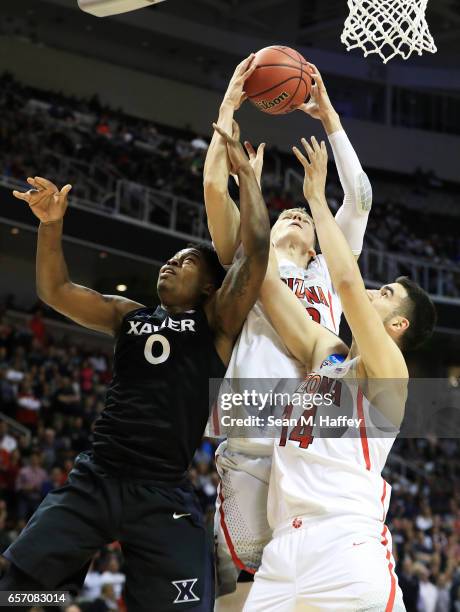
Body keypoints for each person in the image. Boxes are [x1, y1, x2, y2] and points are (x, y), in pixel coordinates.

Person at [1, 119, 270, 612]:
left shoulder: (219, 322)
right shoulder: (129, 316)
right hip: (97, 476)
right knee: (18, 593)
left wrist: (248, 182)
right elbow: (56, 292)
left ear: (211, 286)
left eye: (185, 261)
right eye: (170, 258)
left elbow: (254, 251)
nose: (170, 263)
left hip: (161, 492)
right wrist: (51, 226)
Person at [203, 55, 373, 606]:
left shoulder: (328, 269)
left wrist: (330, 120)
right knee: (246, 597)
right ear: (267, 228)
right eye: (284, 214)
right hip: (252, 444)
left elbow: (361, 199)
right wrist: (229, 106)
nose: (295, 214)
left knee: (313, 598)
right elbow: (214, 189)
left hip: (313, 454)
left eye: (302, 213)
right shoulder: (248, 261)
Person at [243, 136, 436, 611]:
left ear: (398, 325)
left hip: (345, 544)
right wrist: (248, 189)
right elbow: (264, 283)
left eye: (386, 293)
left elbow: (347, 281)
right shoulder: (327, 354)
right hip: (283, 548)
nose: (374, 290)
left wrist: (315, 197)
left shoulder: (391, 371)